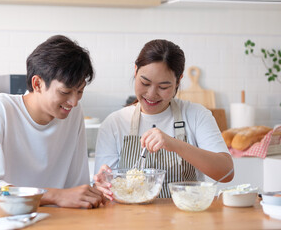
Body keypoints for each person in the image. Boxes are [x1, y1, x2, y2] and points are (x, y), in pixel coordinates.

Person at [0, 35, 105, 208]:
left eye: (80, 91)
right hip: (7, 218)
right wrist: (56, 196)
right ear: (37, 84)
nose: (73, 102)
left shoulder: (74, 113)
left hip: (58, 220)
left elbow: (76, 186)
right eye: (65, 92)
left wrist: (97, 189)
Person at [93, 39, 234, 199]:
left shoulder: (196, 115)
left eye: (163, 87)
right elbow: (104, 192)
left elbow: (227, 172)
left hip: (187, 218)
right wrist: (103, 185)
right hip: (132, 220)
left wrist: (175, 144)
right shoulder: (114, 123)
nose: (151, 94)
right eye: (145, 83)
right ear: (135, 71)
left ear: (178, 81)